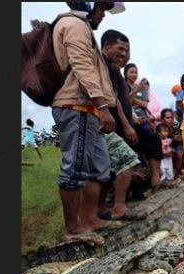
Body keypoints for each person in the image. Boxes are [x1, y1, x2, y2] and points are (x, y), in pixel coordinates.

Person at [51, 1, 123, 244]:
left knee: (98, 167)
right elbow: (83, 68)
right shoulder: (74, 25)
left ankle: (90, 219)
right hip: (77, 105)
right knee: (76, 167)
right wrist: (103, 107)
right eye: (101, 9)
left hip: (88, 108)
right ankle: (73, 229)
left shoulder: (80, 26)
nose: (102, 15)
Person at [99, 29, 145, 222]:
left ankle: (100, 210)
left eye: (127, 51)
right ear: (106, 46)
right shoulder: (100, 67)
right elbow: (112, 100)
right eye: (120, 49)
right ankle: (118, 207)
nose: (124, 54)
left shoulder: (112, 70)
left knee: (103, 169)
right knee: (127, 160)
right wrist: (125, 124)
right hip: (101, 123)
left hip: (110, 123)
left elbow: (118, 99)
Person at [160, 108, 183, 179]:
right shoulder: (160, 127)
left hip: (175, 144)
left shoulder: (176, 125)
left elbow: (180, 140)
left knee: (180, 155)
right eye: (168, 118)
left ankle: (176, 175)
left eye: (172, 117)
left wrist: (179, 139)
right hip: (164, 145)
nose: (170, 119)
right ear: (162, 119)